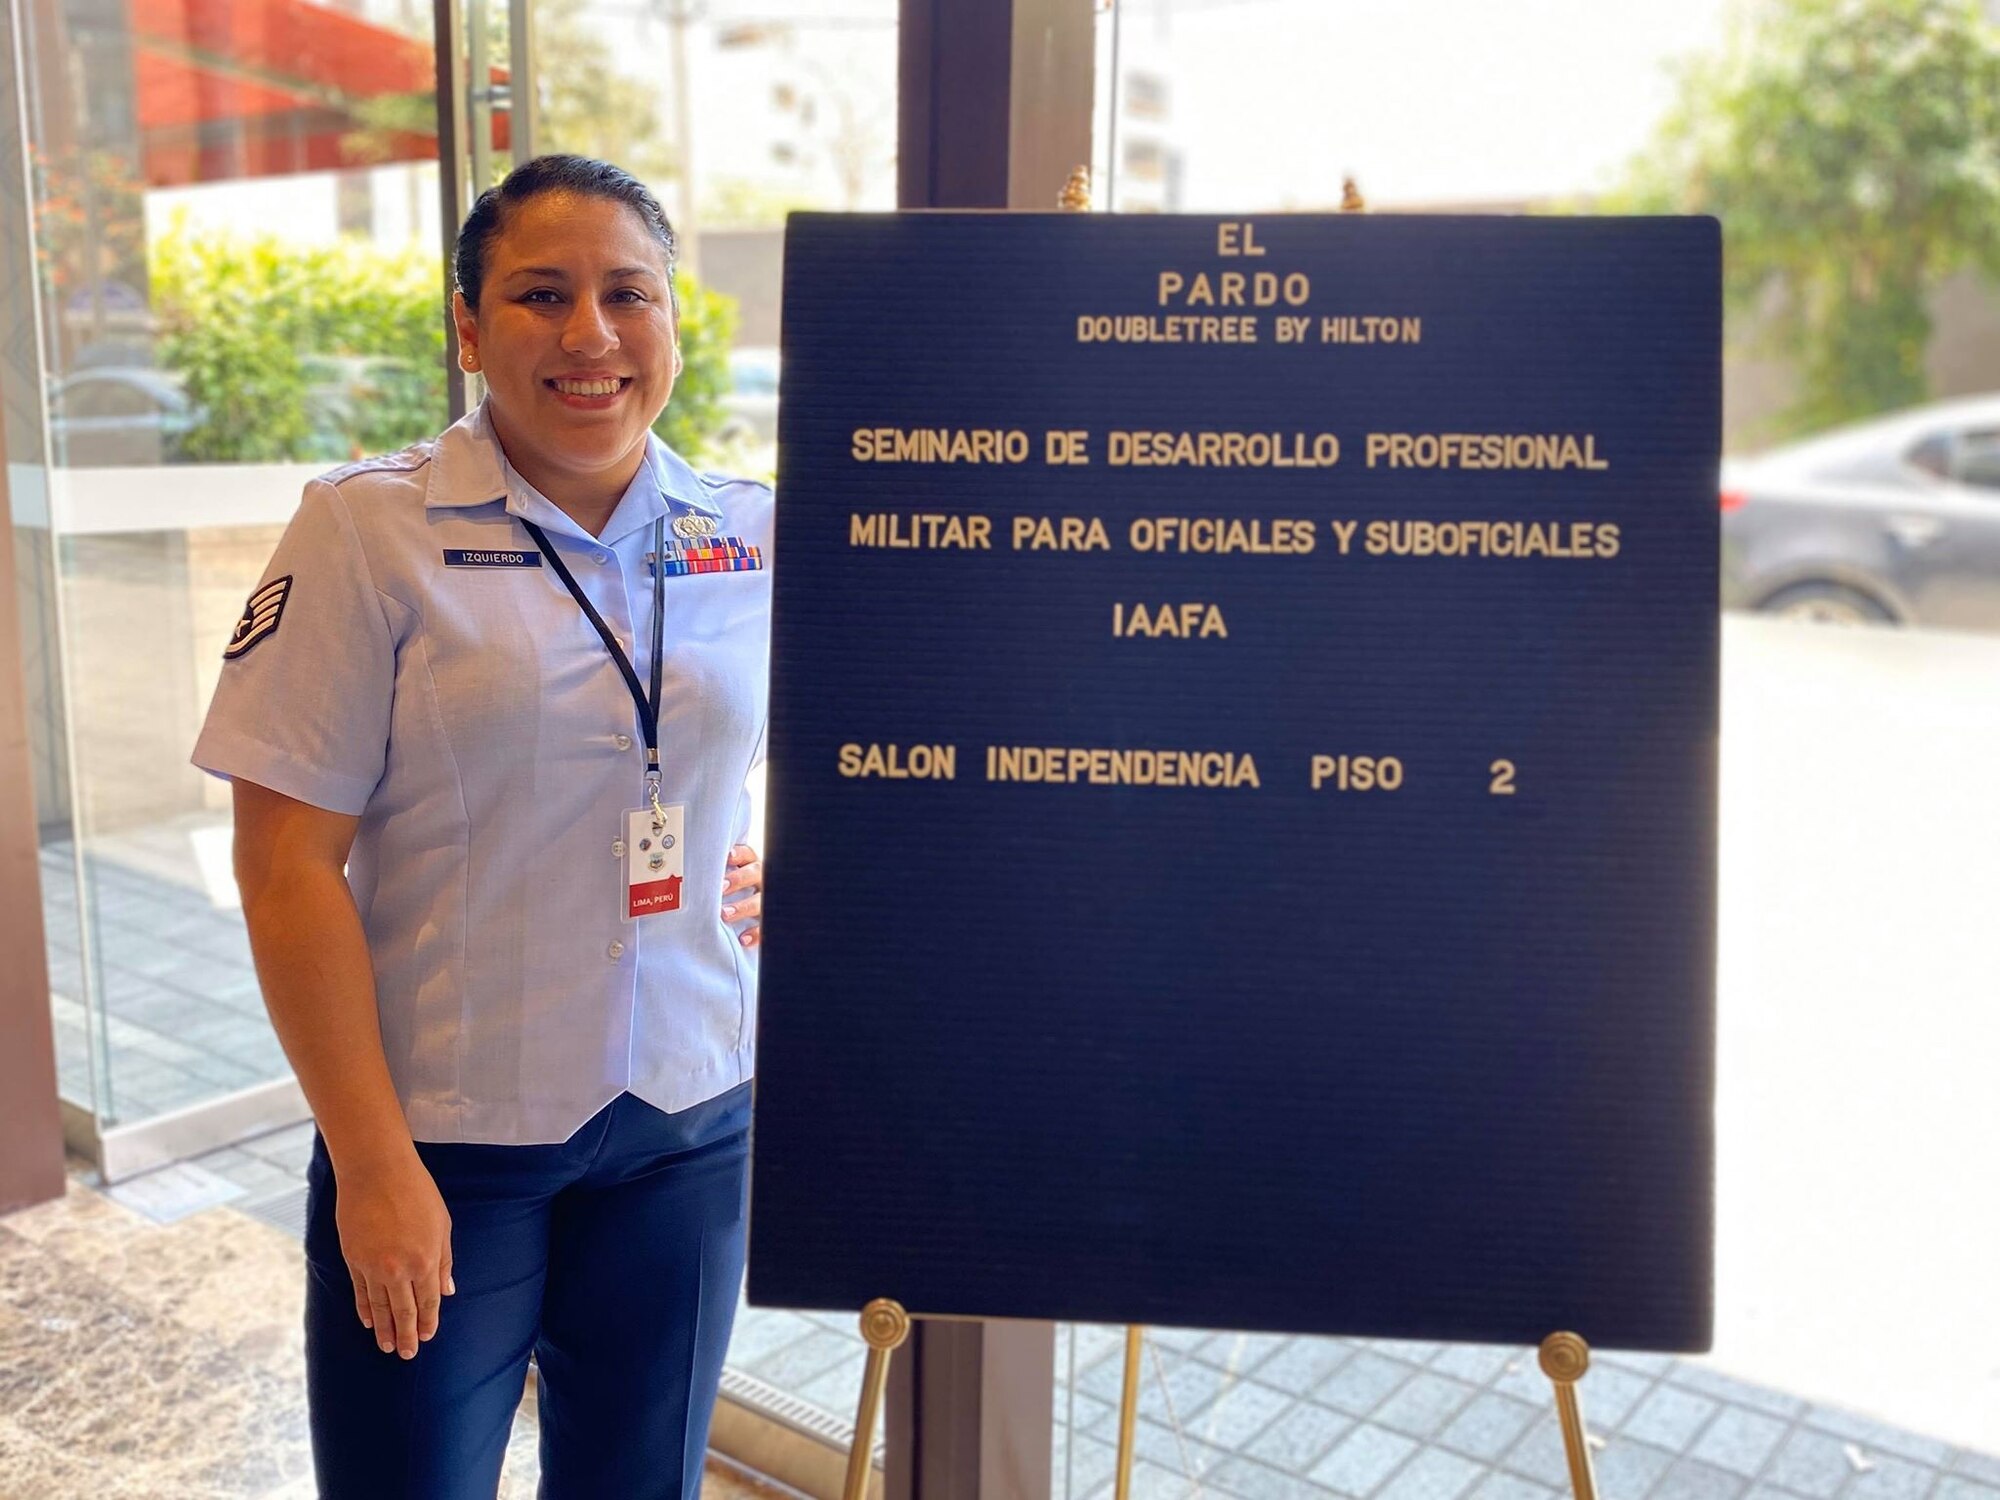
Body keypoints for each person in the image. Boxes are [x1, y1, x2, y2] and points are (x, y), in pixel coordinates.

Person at [192, 155, 771, 1499]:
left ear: (673, 315)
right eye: (539, 295)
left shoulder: (748, 534)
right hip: (448, 1139)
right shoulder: (366, 530)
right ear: (466, 325)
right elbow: (285, 865)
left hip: (690, 1118)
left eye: (629, 293)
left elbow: (853, 760)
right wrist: (369, 1163)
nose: (591, 336)